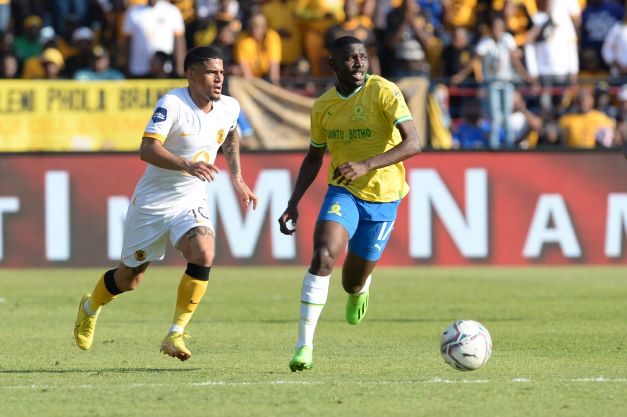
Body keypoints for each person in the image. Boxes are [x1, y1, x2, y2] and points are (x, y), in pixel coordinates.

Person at [73, 46, 258, 361]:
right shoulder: (172, 103)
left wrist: (237, 177)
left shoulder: (229, 106)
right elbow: (147, 149)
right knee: (129, 279)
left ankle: (176, 333)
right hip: (153, 204)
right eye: (212, 72)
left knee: (204, 251)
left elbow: (230, 134)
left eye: (222, 72)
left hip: (190, 199)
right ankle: (90, 307)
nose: (219, 79)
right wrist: (186, 165)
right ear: (191, 74)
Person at [277, 36, 421, 372]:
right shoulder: (323, 106)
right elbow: (314, 156)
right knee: (323, 255)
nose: (358, 63)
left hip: (384, 196)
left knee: (351, 282)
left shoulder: (384, 91)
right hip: (343, 192)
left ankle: (361, 288)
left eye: (362, 57)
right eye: (349, 58)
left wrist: (367, 164)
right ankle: (303, 347)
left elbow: (413, 143)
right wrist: (293, 201)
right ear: (332, 65)